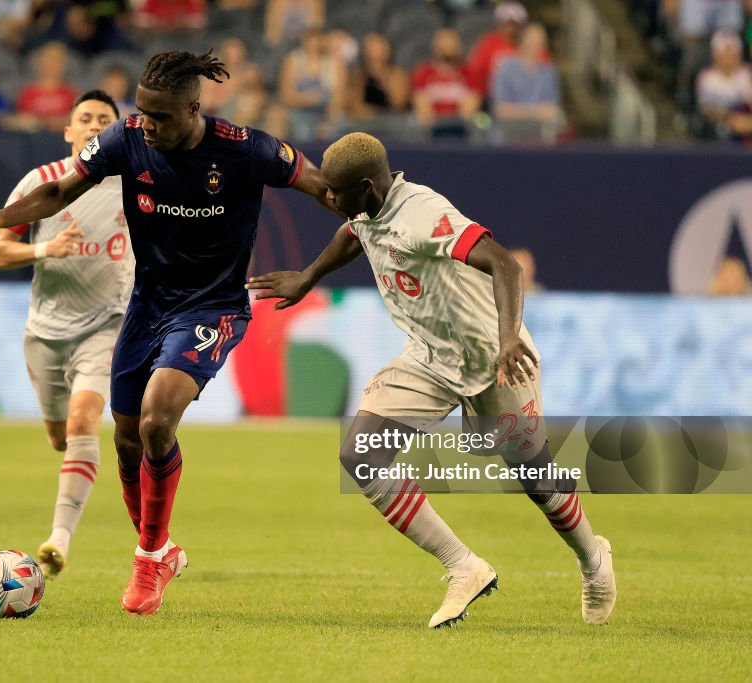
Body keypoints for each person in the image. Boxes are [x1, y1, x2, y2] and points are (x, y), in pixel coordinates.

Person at [0, 49, 336, 616]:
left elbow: (323, 187)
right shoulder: (125, 139)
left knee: (158, 418)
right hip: (147, 305)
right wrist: (1, 220)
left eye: (159, 116)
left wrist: (348, 233)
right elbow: (61, 190)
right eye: (142, 112)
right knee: (126, 441)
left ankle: (149, 557)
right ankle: (160, 548)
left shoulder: (246, 148)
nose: (146, 125)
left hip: (212, 308)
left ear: (192, 108)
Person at [246, 132, 617, 629]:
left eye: (335, 192)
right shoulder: (366, 211)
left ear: (365, 186)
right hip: (429, 359)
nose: (328, 199)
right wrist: (309, 276)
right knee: (360, 454)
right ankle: (464, 566)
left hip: (493, 357)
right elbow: (354, 234)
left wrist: (509, 338)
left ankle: (593, 559)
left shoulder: (423, 215)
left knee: (534, 475)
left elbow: (504, 264)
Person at [0, 90, 135, 579]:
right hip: (45, 333)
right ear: (68, 131)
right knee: (59, 436)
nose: (94, 126)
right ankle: (71, 470)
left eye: (104, 120)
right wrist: (46, 249)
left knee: (83, 423)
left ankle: (58, 538)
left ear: (116, 131)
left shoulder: (137, 185)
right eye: (85, 119)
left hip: (107, 324)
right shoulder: (41, 182)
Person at [490, 23, 562, 130]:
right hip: (509, 133)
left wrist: (519, 111)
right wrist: (537, 112)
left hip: (540, 134)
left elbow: (553, 111)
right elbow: (501, 110)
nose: (535, 44)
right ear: (522, 41)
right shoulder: (505, 68)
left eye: (539, 40)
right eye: (532, 39)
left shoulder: (549, 72)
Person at [410, 28, 480, 138]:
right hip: (430, 134)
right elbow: (423, 109)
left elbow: (469, 109)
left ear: (459, 46)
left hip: (461, 134)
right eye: (443, 42)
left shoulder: (469, 73)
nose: (447, 46)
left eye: (451, 43)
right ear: (435, 46)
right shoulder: (423, 73)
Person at [695, 30, 752, 139]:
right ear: (715, 54)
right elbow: (707, 109)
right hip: (716, 127)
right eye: (724, 51)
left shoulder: (748, 74)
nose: (728, 56)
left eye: (732, 51)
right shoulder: (706, 77)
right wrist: (729, 117)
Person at [13, 41, 79, 133]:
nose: (51, 64)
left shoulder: (71, 94)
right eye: (48, 58)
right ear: (40, 62)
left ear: (64, 64)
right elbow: (18, 121)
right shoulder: (27, 93)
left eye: (57, 60)